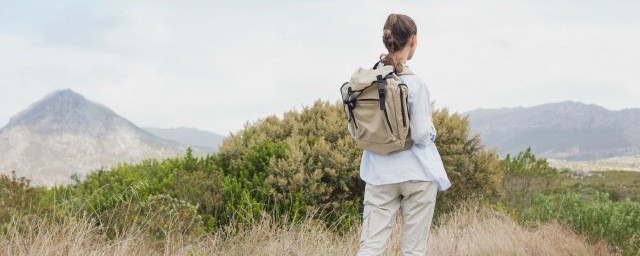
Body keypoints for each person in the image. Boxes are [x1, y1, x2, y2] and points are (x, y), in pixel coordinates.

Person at [357, 13, 451, 256]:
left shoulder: (368, 82)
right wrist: (431, 132)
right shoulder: (416, 84)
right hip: (417, 174)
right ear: (413, 41)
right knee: (413, 251)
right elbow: (420, 134)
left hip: (378, 172)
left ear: (387, 42)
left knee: (371, 246)